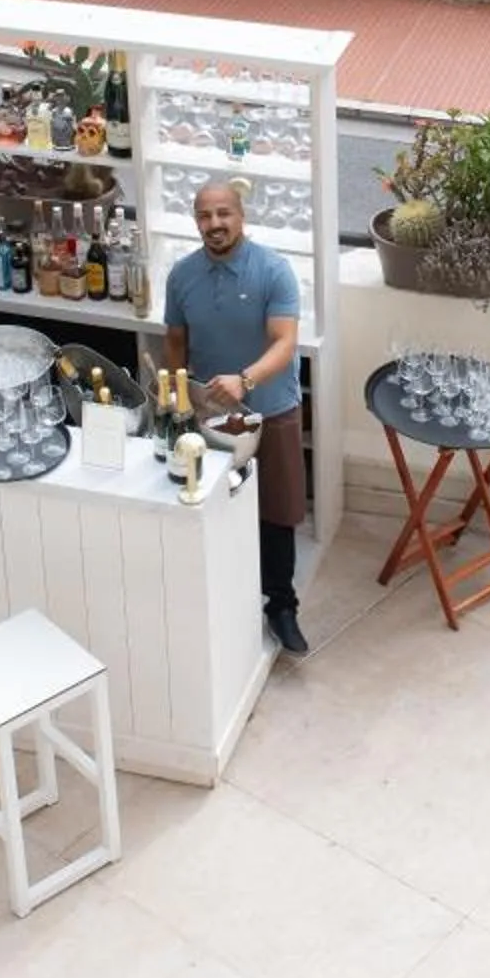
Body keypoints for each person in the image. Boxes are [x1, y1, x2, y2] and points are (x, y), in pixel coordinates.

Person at [162, 177, 309, 655]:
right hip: (210, 417)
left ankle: (281, 606)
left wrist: (244, 381)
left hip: (272, 410)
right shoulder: (181, 277)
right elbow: (176, 344)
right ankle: (227, 602)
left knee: (277, 513)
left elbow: (285, 342)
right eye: (204, 216)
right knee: (216, 506)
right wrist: (179, 397)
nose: (214, 224)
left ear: (241, 216)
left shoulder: (273, 271)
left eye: (223, 213)